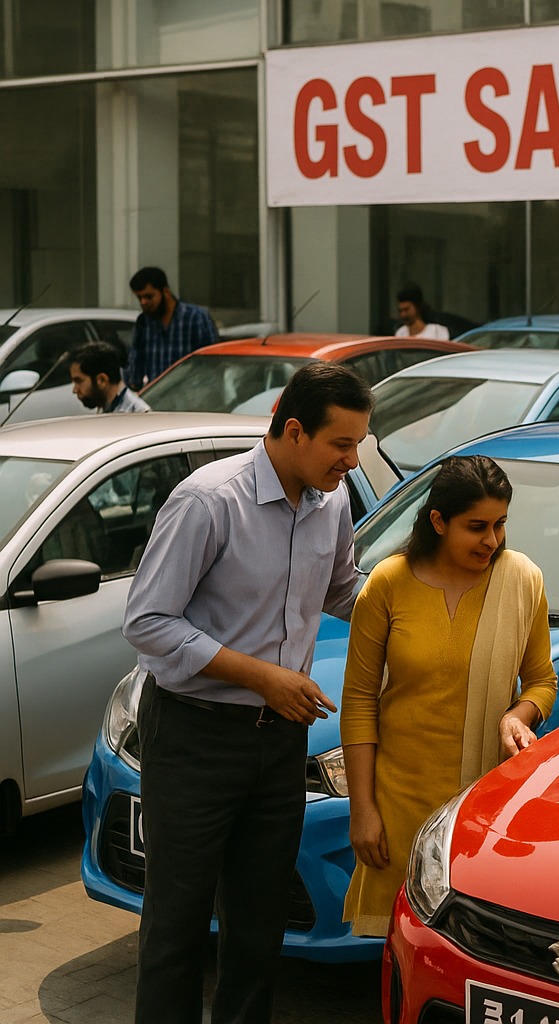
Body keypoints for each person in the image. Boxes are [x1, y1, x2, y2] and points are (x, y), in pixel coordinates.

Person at [122, 361, 373, 1024]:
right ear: (293, 430)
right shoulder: (208, 500)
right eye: (341, 444)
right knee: (176, 924)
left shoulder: (335, 500)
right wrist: (262, 676)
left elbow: (344, 589)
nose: (352, 460)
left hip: (279, 745)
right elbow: (147, 623)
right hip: (194, 738)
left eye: (358, 444)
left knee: (259, 929)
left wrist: (428, 612)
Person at [340, 454, 557, 936]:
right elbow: (358, 701)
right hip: (399, 804)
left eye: (500, 524)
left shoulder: (522, 580)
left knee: (470, 952)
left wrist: (518, 716)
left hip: (481, 808)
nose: (492, 541)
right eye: (476, 526)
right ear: (438, 521)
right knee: (401, 949)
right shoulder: (387, 584)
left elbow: (542, 680)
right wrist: (363, 810)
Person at [126, 266, 219, 389]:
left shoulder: (195, 317)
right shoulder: (144, 322)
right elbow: (136, 362)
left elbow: (212, 363)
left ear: (165, 292)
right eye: (139, 298)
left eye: (149, 297)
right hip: (158, 398)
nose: (143, 302)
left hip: (192, 396)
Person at [69, 341, 151, 413]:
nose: (75, 390)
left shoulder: (138, 415)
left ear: (102, 380)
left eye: (78, 381)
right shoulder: (106, 407)